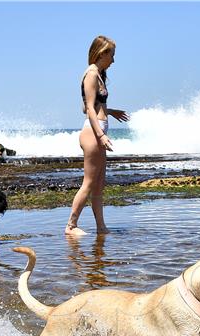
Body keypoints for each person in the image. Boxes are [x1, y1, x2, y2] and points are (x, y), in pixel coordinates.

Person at [65, 35, 129, 236]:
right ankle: (71, 226)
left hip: (98, 130)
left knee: (99, 184)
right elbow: (89, 110)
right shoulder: (91, 74)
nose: (113, 60)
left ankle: (101, 227)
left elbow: (95, 107)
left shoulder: (99, 74)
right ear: (102, 53)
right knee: (89, 182)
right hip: (93, 133)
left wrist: (111, 112)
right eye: (112, 55)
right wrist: (101, 135)